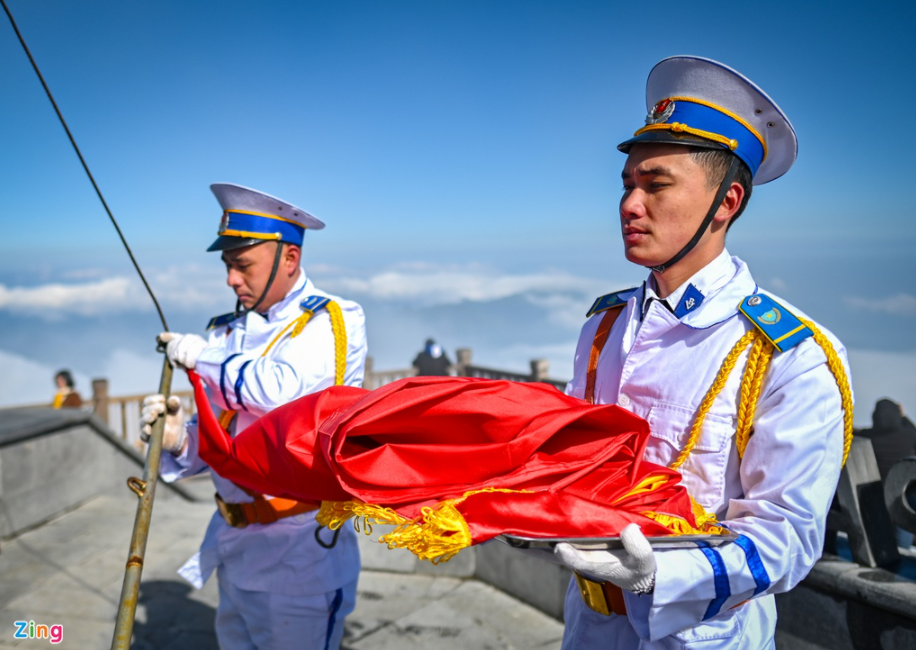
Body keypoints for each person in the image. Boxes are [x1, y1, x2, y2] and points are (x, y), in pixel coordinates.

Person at [552, 56, 853, 648]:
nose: (629, 205)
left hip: (703, 635)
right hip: (588, 625)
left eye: (656, 184)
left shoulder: (787, 354)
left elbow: (786, 539)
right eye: (627, 185)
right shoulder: (604, 326)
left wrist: (660, 574)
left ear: (726, 202)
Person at [140, 183, 367, 650]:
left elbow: (281, 396)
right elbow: (227, 438)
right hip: (234, 545)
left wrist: (199, 358)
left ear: (289, 259)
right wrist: (179, 441)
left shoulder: (331, 319)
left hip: (300, 556)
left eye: (243, 264)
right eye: (228, 264)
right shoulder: (224, 331)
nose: (230, 279)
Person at [859, 398, 916, 547]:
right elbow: (912, 429)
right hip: (903, 497)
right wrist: (903, 417)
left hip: (874, 498)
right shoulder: (909, 436)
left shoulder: (866, 437)